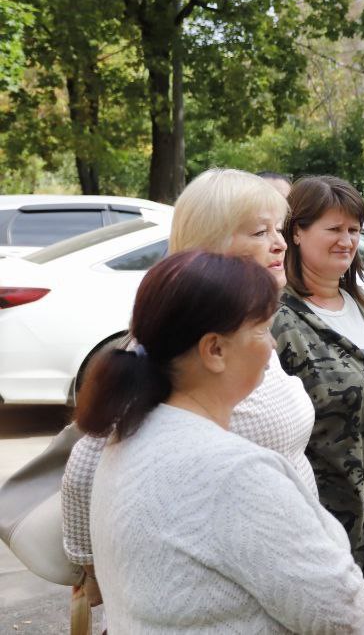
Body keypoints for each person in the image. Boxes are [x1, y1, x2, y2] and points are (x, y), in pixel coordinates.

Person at [74, 251, 364, 632]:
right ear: (215, 350)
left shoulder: (129, 434)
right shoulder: (235, 473)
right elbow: (344, 617)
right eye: (261, 329)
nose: (271, 345)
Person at [62, 168, 316, 610]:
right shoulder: (183, 341)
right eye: (260, 232)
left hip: (279, 571)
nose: (279, 243)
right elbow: (87, 461)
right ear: (210, 243)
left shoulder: (247, 321)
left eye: (278, 228)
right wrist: (93, 569)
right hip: (219, 596)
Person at [272, 175, 364, 634]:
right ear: (296, 231)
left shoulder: (360, 301)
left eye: (354, 229)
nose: (348, 240)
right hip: (329, 527)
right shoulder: (279, 318)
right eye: (334, 229)